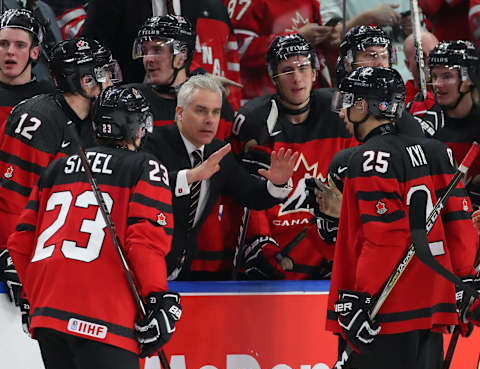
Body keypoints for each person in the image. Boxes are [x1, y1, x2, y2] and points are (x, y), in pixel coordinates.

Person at [7, 85, 180, 369]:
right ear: (137, 128)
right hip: (105, 316)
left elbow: (20, 242)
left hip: (49, 316)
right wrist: (157, 297)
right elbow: (144, 241)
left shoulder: (57, 168)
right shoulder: (145, 167)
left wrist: (33, 298)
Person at [326, 66, 478, 369]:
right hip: (433, 305)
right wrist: (465, 282)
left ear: (363, 106)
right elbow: (459, 224)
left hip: (386, 310)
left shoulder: (368, 159)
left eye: (349, 101)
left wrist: (362, 299)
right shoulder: (438, 151)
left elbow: (384, 239)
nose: (342, 111)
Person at [0, 37, 121, 306]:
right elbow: (11, 201)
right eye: (104, 73)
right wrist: (12, 255)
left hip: (71, 258)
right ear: (85, 81)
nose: (111, 81)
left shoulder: (100, 121)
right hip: (33, 259)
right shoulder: (37, 120)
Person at [146, 74, 298, 280]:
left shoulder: (217, 151)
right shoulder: (152, 143)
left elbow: (250, 194)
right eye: (201, 110)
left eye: (215, 112)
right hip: (145, 263)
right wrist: (191, 176)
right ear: (180, 113)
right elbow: (144, 190)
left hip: (184, 269)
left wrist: (276, 184)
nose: (209, 120)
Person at [230, 33, 357, 280]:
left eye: (303, 68)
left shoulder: (341, 113)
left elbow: (358, 187)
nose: (297, 78)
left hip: (329, 249)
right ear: (273, 78)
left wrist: (343, 247)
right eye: (287, 70)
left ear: (314, 73)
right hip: (277, 252)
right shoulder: (254, 121)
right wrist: (260, 243)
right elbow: (247, 196)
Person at [131, 14, 238, 279]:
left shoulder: (217, 103)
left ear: (181, 56)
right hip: (147, 246)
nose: (148, 59)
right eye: (145, 51)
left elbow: (233, 176)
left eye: (157, 50)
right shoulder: (130, 102)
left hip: (206, 250)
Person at [81, 0, 242, 109]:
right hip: (123, 103)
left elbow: (182, 49)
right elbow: (91, 51)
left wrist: (198, 76)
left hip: (174, 104)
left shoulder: (197, 4)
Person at [226, 0, 343, 103]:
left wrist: (328, 38)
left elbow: (316, 53)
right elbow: (236, 51)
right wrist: (294, 37)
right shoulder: (244, 3)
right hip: (263, 103)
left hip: (307, 101)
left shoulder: (310, 2)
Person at [411, 40, 480, 204]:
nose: (437, 84)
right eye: (434, 76)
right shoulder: (422, 125)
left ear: (470, 77)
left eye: (447, 76)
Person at [336, 25, 425, 137]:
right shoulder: (328, 110)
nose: (380, 63)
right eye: (370, 55)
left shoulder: (403, 120)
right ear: (347, 63)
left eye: (384, 56)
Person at [0, 9, 54, 127]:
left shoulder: (52, 99)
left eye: (20, 45)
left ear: (34, 52)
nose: (10, 52)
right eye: (3, 44)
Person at [403, 30, 438, 105]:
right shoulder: (401, 101)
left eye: (433, 55)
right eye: (421, 57)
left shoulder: (450, 92)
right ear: (408, 65)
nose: (429, 62)